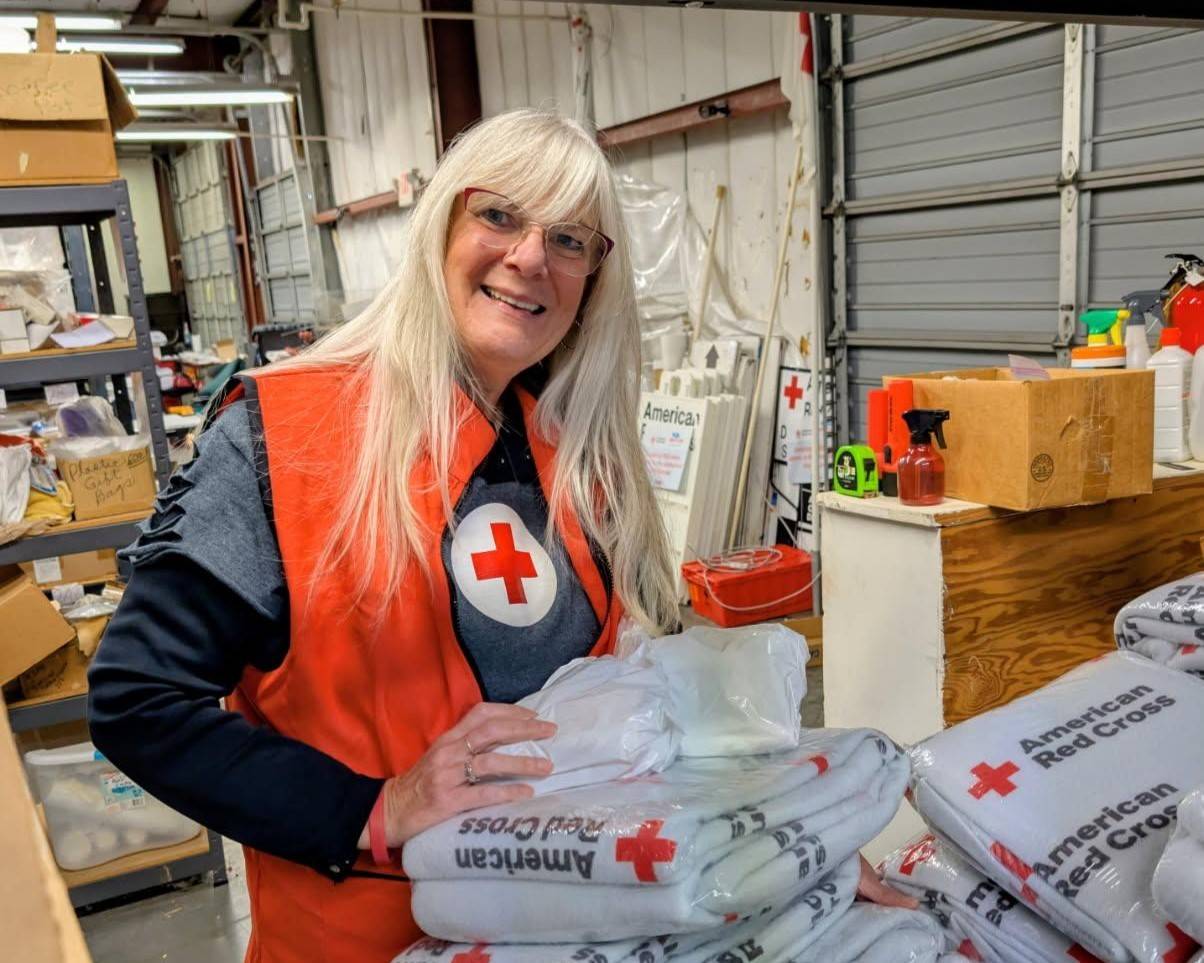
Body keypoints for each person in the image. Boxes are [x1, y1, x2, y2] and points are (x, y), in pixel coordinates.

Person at [88, 109, 909, 963]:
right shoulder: (282, 438)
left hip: (568, 936)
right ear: (443, 224)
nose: (529, 258)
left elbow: (633, 722)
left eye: (569, 239)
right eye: (499, 215)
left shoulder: (580, 456)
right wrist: (374, 808)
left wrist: (788, 861)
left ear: (594, 278)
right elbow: (136, 699)